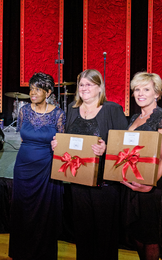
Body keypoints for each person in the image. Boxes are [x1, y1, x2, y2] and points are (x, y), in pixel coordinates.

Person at [53, 69, 128, 259]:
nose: (84, 88)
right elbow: (70, 140)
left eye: (89, 84)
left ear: (99, 87)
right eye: (81, 85)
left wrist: (107, 149)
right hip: (78, 180)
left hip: (105, 184)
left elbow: (124, 145)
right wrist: (58, 144)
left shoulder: (112, 109)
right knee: (83, 231)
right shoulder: (72, 109)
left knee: (105, 234)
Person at [9, 72, 65, 260]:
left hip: (46, 167)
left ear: (48, 92)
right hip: (23, 166)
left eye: (37, 89)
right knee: (22, 209)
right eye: (31, 88)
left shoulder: (58, 114)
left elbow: (62, 142)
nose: (32, 92)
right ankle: (21, 252)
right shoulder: (24, 110)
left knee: (44, 211)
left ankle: (43, 253)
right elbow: (24, 136)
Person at [121, 72, 162, 260]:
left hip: (150, 185)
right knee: (135, 233)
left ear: (157, 94)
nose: (140, 93)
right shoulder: (134, 117)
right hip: (131, 183)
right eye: (137, 89)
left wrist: (150, 183)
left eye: (146, 89)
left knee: (149, 236)